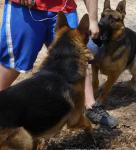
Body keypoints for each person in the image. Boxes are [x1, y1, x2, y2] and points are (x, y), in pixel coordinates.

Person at [0, 0, 118, 128]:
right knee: (12, 63)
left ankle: (90, 106)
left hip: (64, 7)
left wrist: (93, 19)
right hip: (26, 8)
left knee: (78, 57)